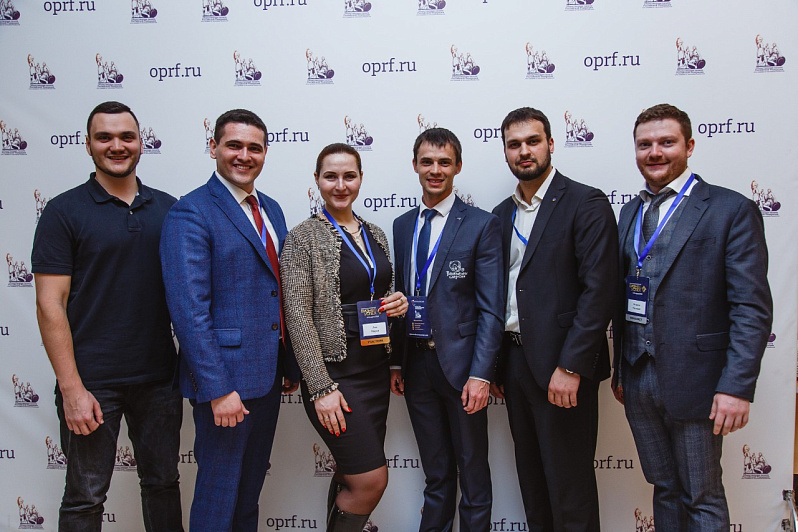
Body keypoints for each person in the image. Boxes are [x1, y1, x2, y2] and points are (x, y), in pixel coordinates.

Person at [612, 103, 773, 530]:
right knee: (664, 489)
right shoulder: (629, 212)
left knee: (702, 496)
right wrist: (620, 371)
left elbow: (751, 307)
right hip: (638, 377)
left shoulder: (730, 209)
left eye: (667, 142)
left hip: (698, 381)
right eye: (645, 144)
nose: (655, 152)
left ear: (689, 146)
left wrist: (736, 386)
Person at [31, 101, 183, 531]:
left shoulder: (170, 209)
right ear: (88, 145)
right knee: (85, 499)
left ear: (141, 143)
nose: (117, 146)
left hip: (159, 380)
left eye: (126, 137)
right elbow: (49, 304)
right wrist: (71, 388)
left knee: (163, 485)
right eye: (105, 137)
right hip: (91, 383)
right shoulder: (63, 212)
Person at [160, 109, 300, 531]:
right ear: (213, 147)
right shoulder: (191, 212)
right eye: (234, 145)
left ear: (265, 153)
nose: (244, 155)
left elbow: (274, 289)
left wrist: (287, 363)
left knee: (247, 495)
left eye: (254, 147)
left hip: (267, 376)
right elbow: (189, 312)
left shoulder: (271, 208)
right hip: (225, 385)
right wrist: (218, 389)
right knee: (218, 498)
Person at [490, 107, 618, 531]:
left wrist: (571, 365)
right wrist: (496, 366)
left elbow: (599, 291)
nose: (524, 151)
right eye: (514, 144)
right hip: (514, 363)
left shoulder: (585, 202)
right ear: (505, 152)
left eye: (532, 141)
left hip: (563, 366)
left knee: (569, 487)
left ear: (550, 143)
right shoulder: (500, 214)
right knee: (533, 483)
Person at [280, 143, 408, 531]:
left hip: (374, 371)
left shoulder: (375, 233)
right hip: (336, 377)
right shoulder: (302, 238)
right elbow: (298, 317)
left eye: (349, 176)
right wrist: (321, 387)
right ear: (317, 180)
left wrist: (396, 302)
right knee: (370, 481)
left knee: (351, 475)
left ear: (361, 178)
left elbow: (376, 291)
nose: (340, 185)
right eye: (330, 176)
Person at [391, 127, 504, 532]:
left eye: (444, 162)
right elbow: (403, 296)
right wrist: (396, 363)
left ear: (457, 166)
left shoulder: (481, 224)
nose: (435, 170)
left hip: (462, 369)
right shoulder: (402, 225)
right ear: (415, 165)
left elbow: (491, 309)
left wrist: (481, 374)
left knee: (472, 473)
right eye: (427, 162)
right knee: (436, 473)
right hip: (417, 367)